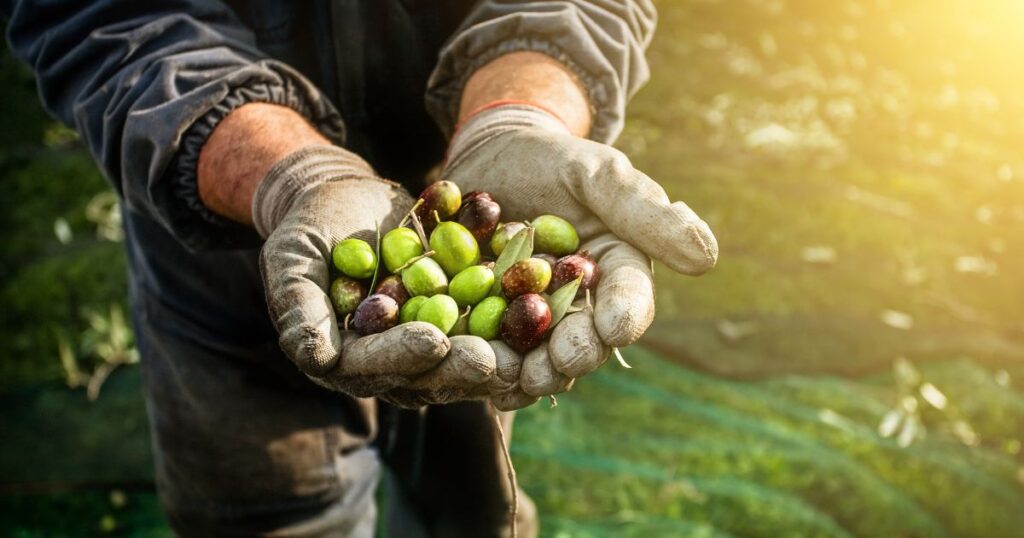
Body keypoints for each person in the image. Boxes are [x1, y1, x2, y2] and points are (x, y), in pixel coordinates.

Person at [3, 1, 717, 535]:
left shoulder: (492, 265)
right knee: (267, 516)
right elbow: (105, 18)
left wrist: (516, 116)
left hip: (467, 183)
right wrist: (293, 176)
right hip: (219, 237)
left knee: (472, 506)